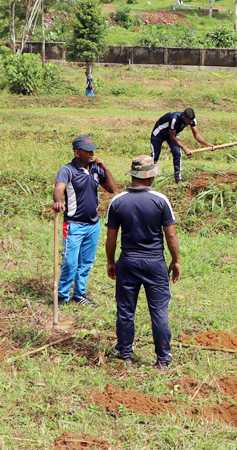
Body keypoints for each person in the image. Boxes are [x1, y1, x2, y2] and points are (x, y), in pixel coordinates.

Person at [106, 155, 181, 369]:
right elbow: (171, 236)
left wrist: (111, 262)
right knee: (158, 310)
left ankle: (124, 352)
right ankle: (163, 359)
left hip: (127, 261)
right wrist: (175, 261)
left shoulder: (118, 201)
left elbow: (111, 237)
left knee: (125, 309)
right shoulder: (160, 200)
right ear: (150, 177)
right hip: (154, 262)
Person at [52, 136, 116, 307]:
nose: (92, 154)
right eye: (88, 151)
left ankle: (79, 294)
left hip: (93, 225)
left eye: (93, 150)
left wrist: (106, 169)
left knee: (86, 262)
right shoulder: (67, 170)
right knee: (70, 262)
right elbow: (59, 189)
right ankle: (62, 296)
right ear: (77, 152)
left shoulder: (95, 169)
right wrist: (58, 201)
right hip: (74, 225)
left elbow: (111, 189)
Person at [150, 108, 214, 183]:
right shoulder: (174, 119)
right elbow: (172, 137)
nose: (191, 122)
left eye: (192, 120)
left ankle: (178, 180)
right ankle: (148, 178)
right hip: (159, 134)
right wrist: (185, 148)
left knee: (177, 154)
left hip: (172, 134)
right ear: (184, 117)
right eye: (189, 121)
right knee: (155, 156)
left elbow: (196, 135)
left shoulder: (192, 120)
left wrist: (208, 145)